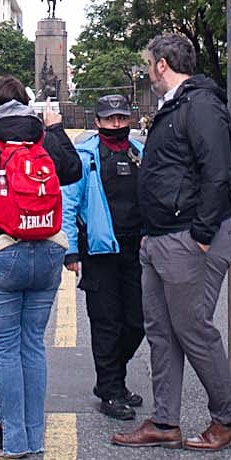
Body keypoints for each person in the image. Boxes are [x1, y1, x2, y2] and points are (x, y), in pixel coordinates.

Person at [113, 32, 231, 452]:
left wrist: (203, 236)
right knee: (161, 330)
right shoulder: (172, 107)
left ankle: (228, 419)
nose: (147, 70)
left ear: (161, 65)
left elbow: (217, 172)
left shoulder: (201, 105)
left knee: (192, 327)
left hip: (189, 235)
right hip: (160, 237)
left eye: (148, 63)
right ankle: (165, 421)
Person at [0, 75, 83, 458]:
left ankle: (11, 439)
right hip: (47, 250)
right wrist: (55, 127)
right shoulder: (43, 137)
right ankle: (34, 435)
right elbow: (73, 170)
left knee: (4, 351)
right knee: (32, 346)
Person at [66, 94, 148, 420]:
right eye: (110, 119)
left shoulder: (140, 153)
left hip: (135, 249)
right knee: (106, 324)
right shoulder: (85, 155)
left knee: (138, 321)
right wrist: (70, 250)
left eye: (121, 118)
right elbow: (69, 203)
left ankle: (112, 378)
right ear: (97, 121)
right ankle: (112, 389)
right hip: (99, 251)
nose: (117, 124)